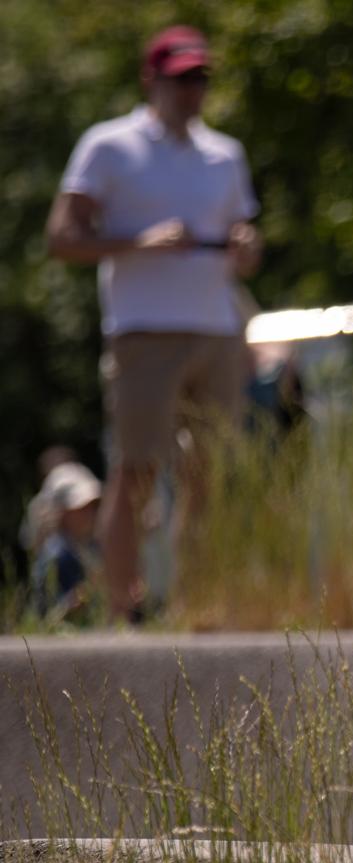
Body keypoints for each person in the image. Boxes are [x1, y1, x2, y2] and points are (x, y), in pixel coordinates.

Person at [44, 25, 261, 623]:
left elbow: (246, 239)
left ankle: (200, 603)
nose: (193, 89)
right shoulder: (109, 146)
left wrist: (246, 248)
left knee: (210, 473)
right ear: (152, 78)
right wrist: (140, 243)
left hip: (216, 328)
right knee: (136, 470)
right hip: (143, 330)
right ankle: (125, 609)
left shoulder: (226, 153)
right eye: (182, 77)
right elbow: (63, 238)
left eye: (201, 78)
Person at [21, 463, 104, 623]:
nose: (90, 513)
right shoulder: (57, 555)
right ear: (62, 511)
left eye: (92, 506)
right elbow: (49, 616)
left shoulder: (88, 549)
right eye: (81, 507)